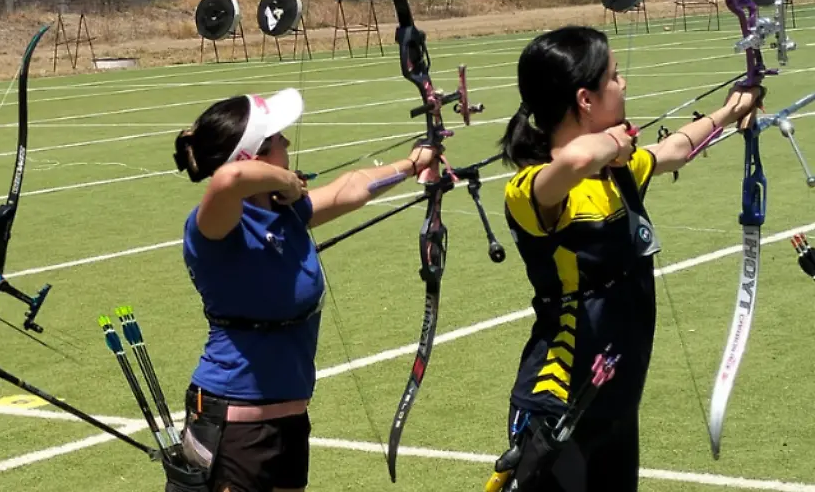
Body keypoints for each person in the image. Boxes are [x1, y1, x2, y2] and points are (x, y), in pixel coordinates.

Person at [492, 26, 762, 491]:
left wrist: (732, 108)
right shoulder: (534, 189)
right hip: (559, 408)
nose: (624, 85)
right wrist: (615, 144)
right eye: (614, 77)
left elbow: (676, 149)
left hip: (614, 400)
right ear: (585, 99)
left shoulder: (616, 175)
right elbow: (574, 162)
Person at [171, 87, 439, 492]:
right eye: (278, 139)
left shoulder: (286, 213)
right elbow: (230, 178)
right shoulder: (213, 227)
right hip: (233, 424)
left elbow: (351, 189)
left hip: (289, 419)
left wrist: (412, 163)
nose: (288, 143)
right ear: (255, 154)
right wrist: (288, 182)